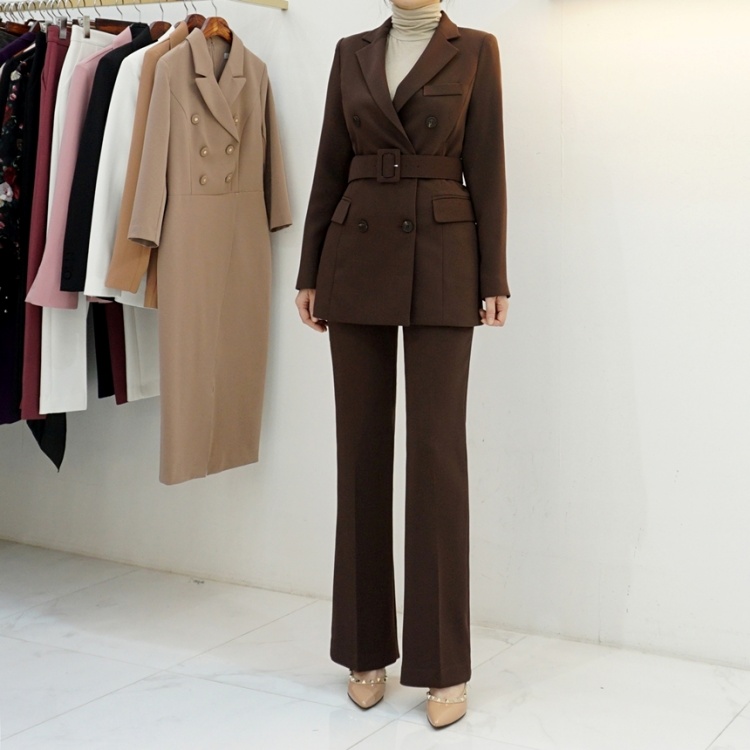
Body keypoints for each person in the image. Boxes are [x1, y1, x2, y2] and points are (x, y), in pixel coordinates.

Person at [295, 0, 509, 729]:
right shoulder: (351, 49)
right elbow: (329, 162)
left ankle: (443, 663)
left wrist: (494, 275)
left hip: (445, 257)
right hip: (354, 251)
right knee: (359, 454)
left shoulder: (475, 48)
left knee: (437, 457)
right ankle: (364, 650)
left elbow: (488, 166)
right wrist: (309, 270)